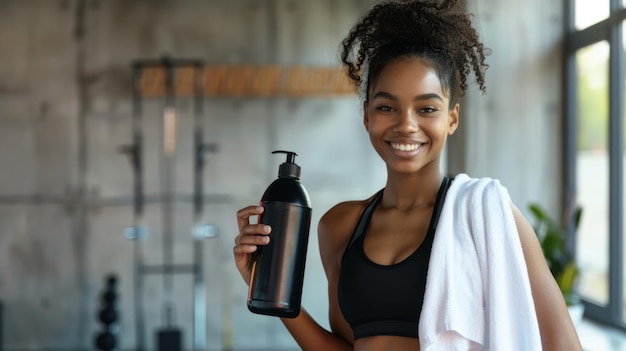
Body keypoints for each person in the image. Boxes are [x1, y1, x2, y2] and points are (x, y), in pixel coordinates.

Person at [234, 0, 583, 349]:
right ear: (367, 116)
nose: (406, 124)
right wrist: (268, 286)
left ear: (452, 119)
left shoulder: (487, 215)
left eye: (427, 108)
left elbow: (565, 346)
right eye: (386, 107)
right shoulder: (339, 227)